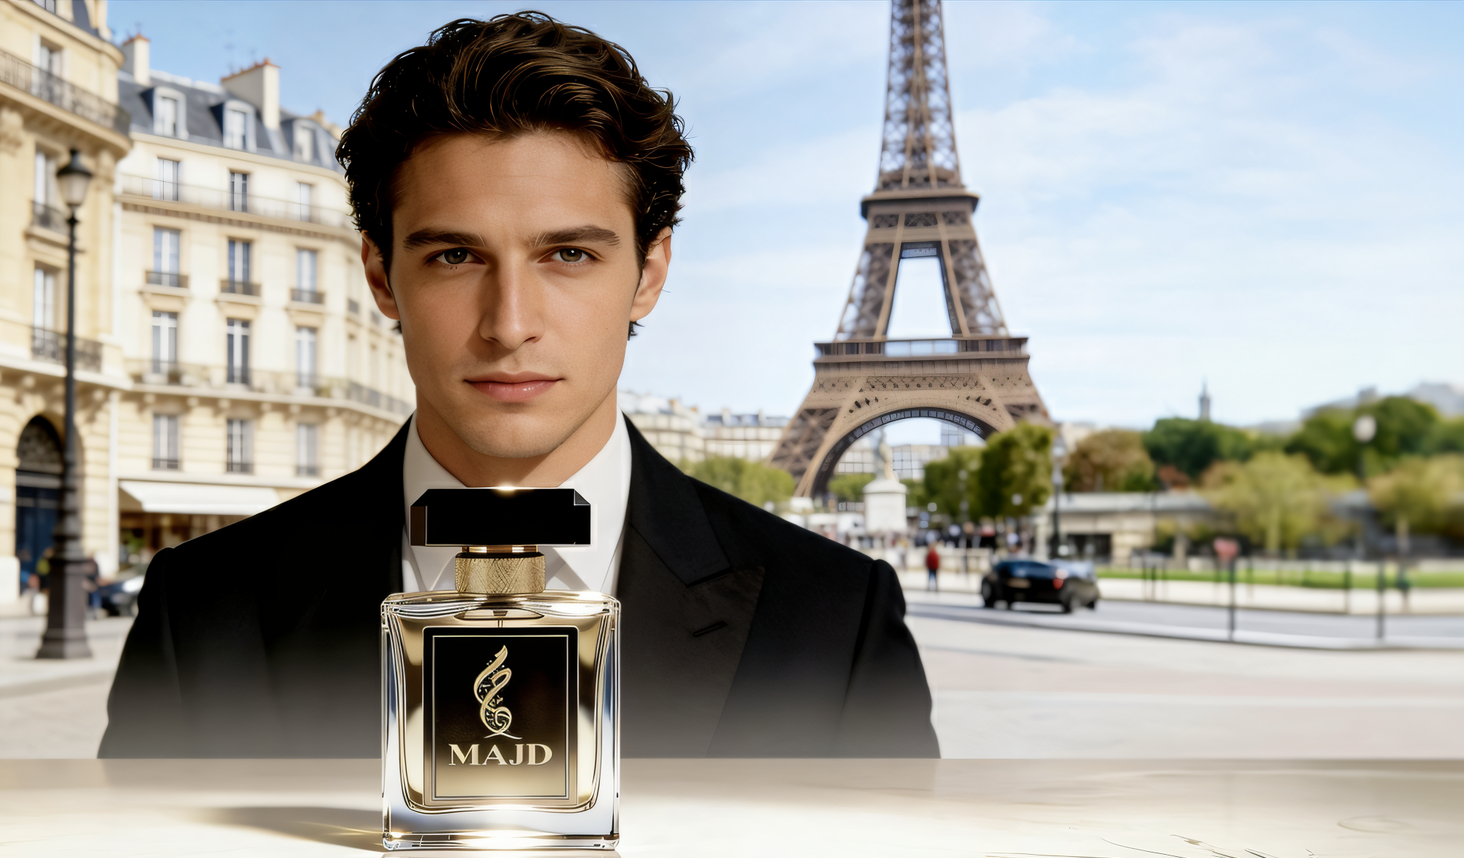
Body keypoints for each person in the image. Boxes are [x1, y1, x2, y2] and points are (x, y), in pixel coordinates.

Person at [100, 13, 935, 759]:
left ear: (650, 273)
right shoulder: (198, 612)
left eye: (569, 255)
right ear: (382, 277)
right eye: (455, 256)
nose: (509, 323)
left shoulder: (836, 619)